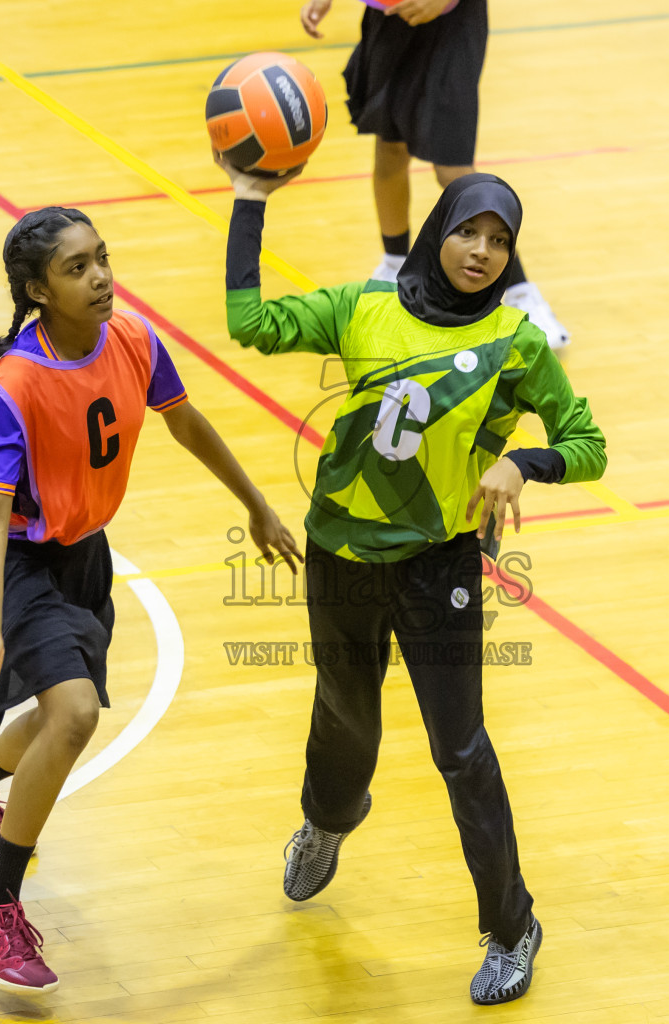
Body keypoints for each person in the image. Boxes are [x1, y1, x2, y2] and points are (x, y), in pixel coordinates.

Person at [217, 157, 606, 1003]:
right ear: (438, 231)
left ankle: (512, 927)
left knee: (459, 750)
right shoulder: (364, 309)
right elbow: (248, 320)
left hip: (440, 567)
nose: (480, 251)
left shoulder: (515, 342)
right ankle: (327, 820)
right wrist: (250, 202)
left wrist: (522, 462)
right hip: (341, 555)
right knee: (347, 716)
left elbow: (589, 444)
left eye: (500, 241)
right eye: (468, 230)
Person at [0, 206, 301, 995]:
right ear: (37, 290)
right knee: (76, 713)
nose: (99, 277)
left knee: (66, 713)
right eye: (76, 268)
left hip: (83, 558)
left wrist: (256, 503)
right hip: (19, 559)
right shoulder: (17, 384)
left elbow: (186, 423)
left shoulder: (133, 339)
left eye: (102, 258)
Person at [298, 0, 573, 349]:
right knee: (390, 146)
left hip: (452, 22)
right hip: (390, 15)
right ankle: (394, 265)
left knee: (452, 168)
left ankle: (519, 293)